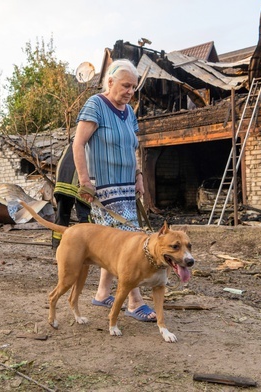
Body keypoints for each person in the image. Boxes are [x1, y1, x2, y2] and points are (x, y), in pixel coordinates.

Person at [72, 59, 156, 322]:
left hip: (127, 188)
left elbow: (133, 147)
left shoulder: (129, 112)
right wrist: (84, 180)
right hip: (104, 188)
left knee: (113, 243)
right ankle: (134, 301)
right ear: (110, 82)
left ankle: (101, 293)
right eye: (125, 85)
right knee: (126, 245)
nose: (130, 91)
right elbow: (78, 143)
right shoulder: (96, 105)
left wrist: (139, 175)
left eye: (133, 87)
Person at [52, 142, 91, 249]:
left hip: (62, 181)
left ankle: (57, 246)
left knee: (61, 215)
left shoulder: (71, 144)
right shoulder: (88, 145)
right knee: (85, 215)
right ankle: (88, 248)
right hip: (78, 183)